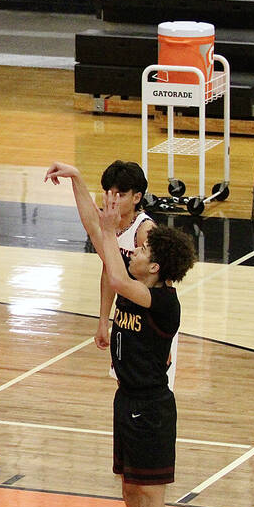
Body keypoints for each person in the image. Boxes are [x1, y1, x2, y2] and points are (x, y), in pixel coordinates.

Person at [45, 161, 196, 507]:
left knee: (152, 504)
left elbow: (112, 261)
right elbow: (98, 233)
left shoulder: (159, 301)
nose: (136, 248)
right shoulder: (134, 289)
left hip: (152, 409)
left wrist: (110, 233)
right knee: (132, 497)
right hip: (125, 401)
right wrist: (78, 182)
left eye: (143, 249)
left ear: (153, 266)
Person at [94, 161, 179, 390]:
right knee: (124, 385)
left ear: (136, 197)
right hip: (126, 321)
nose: (112, 200)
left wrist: (162, 340)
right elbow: (108, 273)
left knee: (149, 391)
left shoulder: (144, 231)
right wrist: (104, 320)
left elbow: (166, 284)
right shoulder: (113, 226)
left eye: (120, 194)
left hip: (150, 327)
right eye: (108, 193)